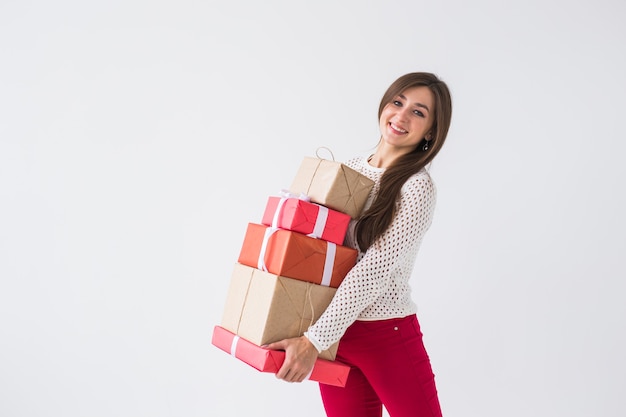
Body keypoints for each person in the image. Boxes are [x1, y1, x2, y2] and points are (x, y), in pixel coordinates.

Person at [264, 72, 453, 417]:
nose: (402, 116)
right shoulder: (348, 170)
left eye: (419, 112)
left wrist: (313, 341)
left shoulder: (416, 188)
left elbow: (374, 271)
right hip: (337, 335)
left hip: (385, 335)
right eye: (398, 102)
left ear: (430, 131)